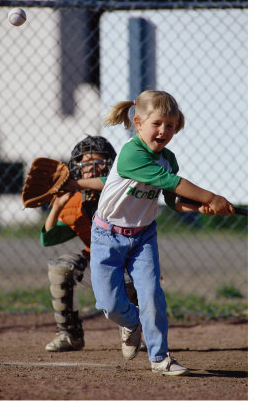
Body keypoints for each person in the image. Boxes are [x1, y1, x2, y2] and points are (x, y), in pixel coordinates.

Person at [90, 90, 235, 376]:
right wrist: (211, 196)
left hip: (143, 237)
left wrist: (198, 207)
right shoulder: (132, 153)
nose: (163, 131)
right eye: (157, 124)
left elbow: (173, 200)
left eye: (170, 125)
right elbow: (172, 182)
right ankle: (132, 322)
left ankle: (160, 358)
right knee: (109, 305)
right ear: (138, 122)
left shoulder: (168, 158)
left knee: (153, 295)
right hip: (107, 236)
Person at [40, 135, 141, 352]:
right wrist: (57, 205)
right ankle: (70, 334)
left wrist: (74, 184)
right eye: (85, 163)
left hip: (128, 265)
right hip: (97, 265)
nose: (92, 167)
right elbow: (48, 238)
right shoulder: (76, 201)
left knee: (131, 275)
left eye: (99, 162)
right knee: (61, 266)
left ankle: (133, 328)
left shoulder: (121, 191)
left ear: (111, 165)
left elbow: (106, 183)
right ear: (76, 168)